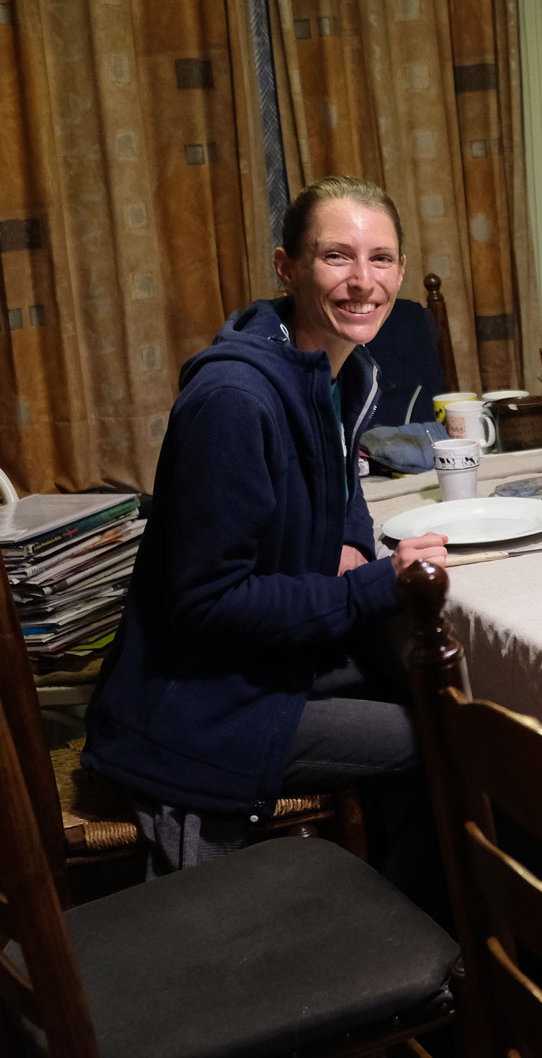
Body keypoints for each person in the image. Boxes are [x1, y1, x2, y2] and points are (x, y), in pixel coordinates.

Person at [84, 175, 448, 873]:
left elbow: (346, 482)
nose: (362, 281)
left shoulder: (334, 370)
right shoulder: (234, 401)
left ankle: (397, 895)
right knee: (442, 731)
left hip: (264, 662)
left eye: (380, 259)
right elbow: (204, 603)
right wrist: (369, 586)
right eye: (336, 256)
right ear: (287, 267)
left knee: (433, 679)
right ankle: (405, 929)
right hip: (199, 701)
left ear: (400, 271)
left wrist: (346, 539)